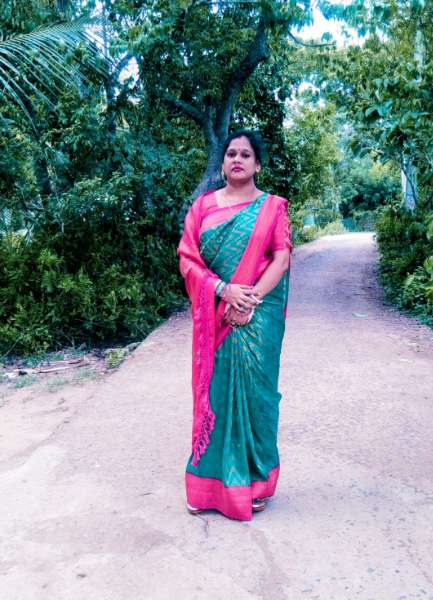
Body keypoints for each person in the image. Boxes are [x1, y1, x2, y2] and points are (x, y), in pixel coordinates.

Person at [177, 129, 292, 521]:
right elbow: (188, 259)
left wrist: (248, 300)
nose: (237, 159)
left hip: (258, 316)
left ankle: (257, 482)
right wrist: (224, 291)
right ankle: (207, 486)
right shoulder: (203, 208)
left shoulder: (273, 207)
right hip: (216, 313)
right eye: (231, 154)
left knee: (258, 397)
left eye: (246, 154)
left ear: (257, 164)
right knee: (216, 395)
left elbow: (281, 258)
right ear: (223, 163)